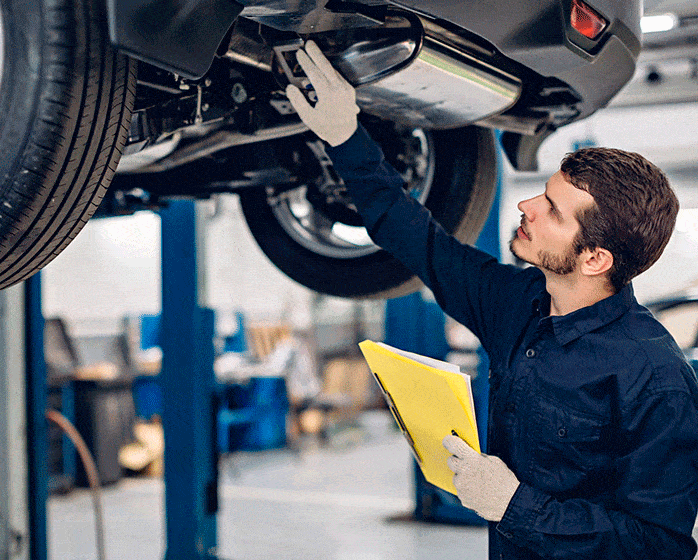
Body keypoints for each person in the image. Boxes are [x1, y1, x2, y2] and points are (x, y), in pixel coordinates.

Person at [285, 41, 698, 559]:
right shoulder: (517, 303)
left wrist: (514, 505)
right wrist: (346, 138)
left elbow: (659, 545)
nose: (527, 205)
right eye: (541, 193)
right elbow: (418, 239)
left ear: (595, 258)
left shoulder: (655, 379)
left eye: (551, 209)